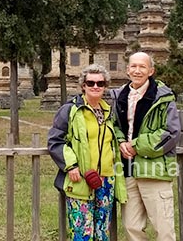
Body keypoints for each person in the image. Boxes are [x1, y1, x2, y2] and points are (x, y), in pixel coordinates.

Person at [48, 64, 127, 241]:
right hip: (81, 178)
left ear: (105, 86)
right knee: (82, 233)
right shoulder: (71, 110)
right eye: (90, 83)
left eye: (100, 83)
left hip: (106, 180)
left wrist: (121, 141)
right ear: (83, 85)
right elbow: (55, 141)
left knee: (102, 232)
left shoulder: (108, 111)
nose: (95, 87)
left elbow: (115, 134)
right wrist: (71, 166)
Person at [110, 52, 180, 241]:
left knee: (163, 228)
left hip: (154, 170)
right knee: (132, 227)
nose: (137, 70)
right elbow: (114, 126)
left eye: (142, 67)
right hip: (127, 170)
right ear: (127, 70)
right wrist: (121, 142)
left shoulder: (163, 97)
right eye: (133, 66)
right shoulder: (119, 97)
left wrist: (135, 145)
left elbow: (170, 133)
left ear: (151, 71)